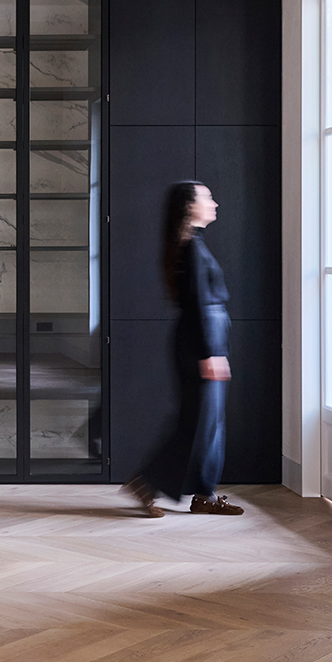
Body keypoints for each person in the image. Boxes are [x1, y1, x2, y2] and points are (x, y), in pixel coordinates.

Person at [123, 181, 245, 517]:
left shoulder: (194, 245)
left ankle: (204, 493)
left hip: (203, 341)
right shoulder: (192, 248)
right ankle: (147, 482)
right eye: (208, 198)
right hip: (200, 344)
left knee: (208, 423)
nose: (215, 203)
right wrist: (210, 353)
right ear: (190, 207)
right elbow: (198, 304)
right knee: (199, 424)